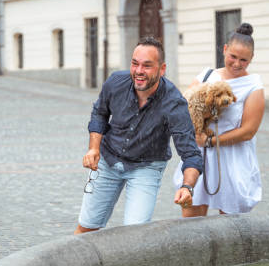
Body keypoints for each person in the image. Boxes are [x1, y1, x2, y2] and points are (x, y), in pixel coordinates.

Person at [74, 37, 203, 235]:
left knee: (134, 235)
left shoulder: (174, 103)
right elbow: (100, 113)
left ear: (162, 69)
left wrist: (188, 187)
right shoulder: (115, 82)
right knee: (87, 227)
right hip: (108, 159)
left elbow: (191, 154)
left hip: (147, 166)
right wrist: (93, 147)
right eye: (135, 63)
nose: (139, 71)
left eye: (147, 66)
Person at [174, 23, 265, 217]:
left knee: (231, 224)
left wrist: (210, 141)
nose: (237, 64)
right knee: (191, 220)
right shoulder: (207, 76)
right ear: (224, 49)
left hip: (233, 158)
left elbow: (248, 131)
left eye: (244, 60)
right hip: (200, 157)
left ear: (251, 59)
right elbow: (184, 107)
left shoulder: (254, 85)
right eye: (233, 56)